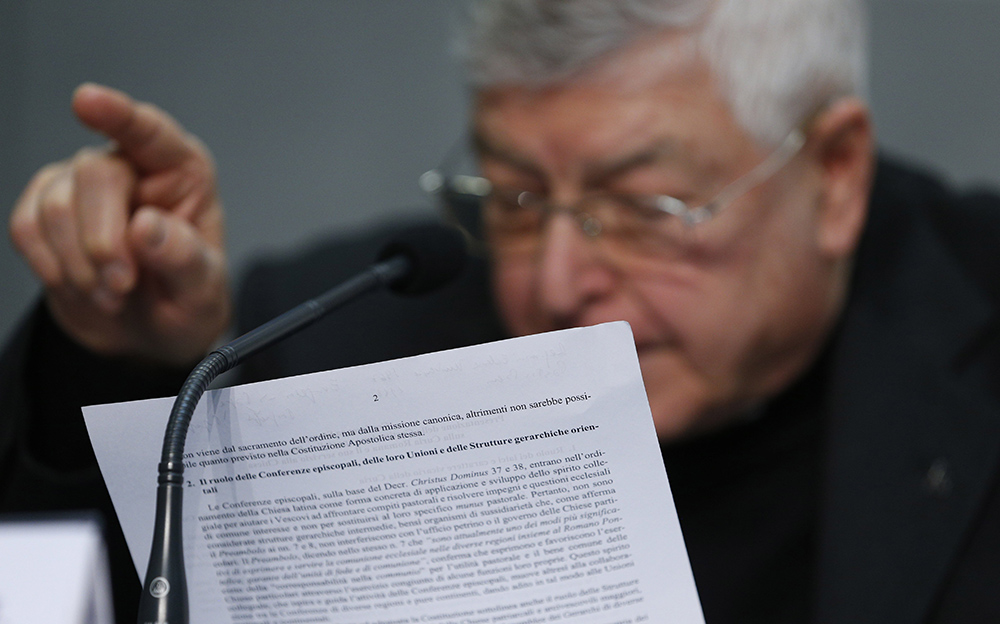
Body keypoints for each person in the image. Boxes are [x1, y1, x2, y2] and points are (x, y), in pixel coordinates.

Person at [3, 1, 999, 622]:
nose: (557, 284)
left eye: (642, 208)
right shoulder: (325, 351)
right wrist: (113, 363)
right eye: (514, 198)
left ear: (832, 177)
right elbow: (48, 591)